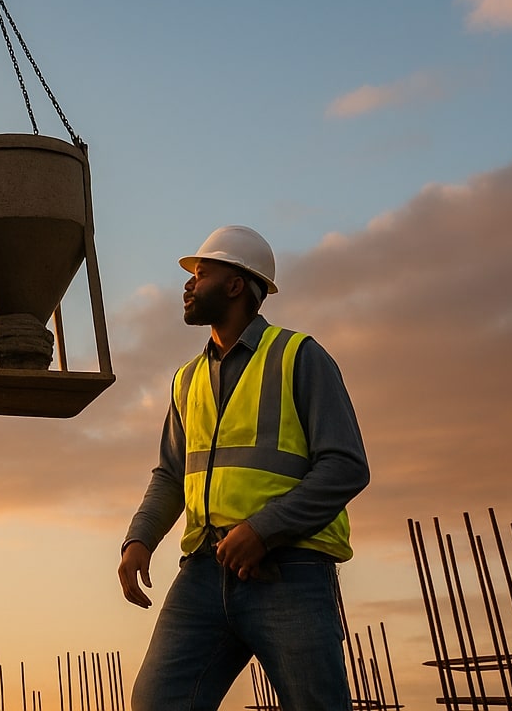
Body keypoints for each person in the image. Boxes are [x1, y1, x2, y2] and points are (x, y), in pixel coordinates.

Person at [118, 225, 370, 711]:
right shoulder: (187, 379)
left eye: (201, 273)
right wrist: (140, 538)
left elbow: (346, 466)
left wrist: (264, 530)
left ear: (236, 284)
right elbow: (171, 474)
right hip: (203, 573)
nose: (188, 284)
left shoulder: (300, 357)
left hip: (289, 571)